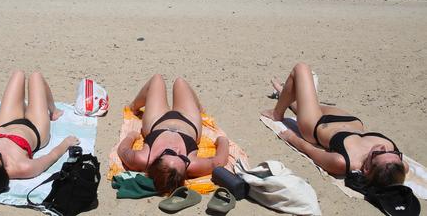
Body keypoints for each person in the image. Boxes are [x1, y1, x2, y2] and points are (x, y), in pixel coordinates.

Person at [262, 62, 407, 187]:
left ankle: (277, 113)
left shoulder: (342, 162)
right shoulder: (397, 167)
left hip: (316, 124)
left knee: (301, 69)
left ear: (367, 169)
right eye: (394, 153)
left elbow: (311, 151)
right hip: (348, 120)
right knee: (303, 100)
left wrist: (291, 137)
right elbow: (400, 171)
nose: (384, 147)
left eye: (379, 153)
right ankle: (283, 91)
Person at [0, 71, 79, 195]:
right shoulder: (23, 167)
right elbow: (50, 157)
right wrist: (66, 143)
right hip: (35, 129)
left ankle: (25, 108)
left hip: (5, 123)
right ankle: (53, 110)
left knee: (18, 75)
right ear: (4, 169)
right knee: (35, 77)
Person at [117, 74, 229, 195]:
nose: (176, 149)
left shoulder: (142, 158)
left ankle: (133, 107)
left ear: (155, 161)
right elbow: (219, 161)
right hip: (189, 121)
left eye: (170, 152)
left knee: (157, 79)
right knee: (180, 83)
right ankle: (199, 108)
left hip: (156, 121)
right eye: (182, 157)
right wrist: (222, 140)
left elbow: (123, 150)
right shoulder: (193, 165)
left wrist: (131, 136)